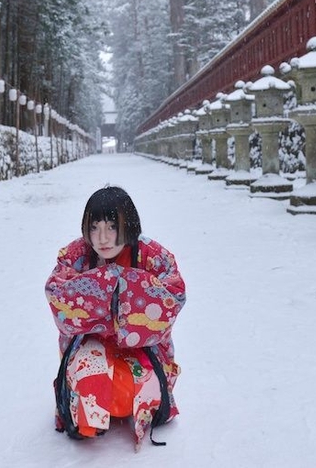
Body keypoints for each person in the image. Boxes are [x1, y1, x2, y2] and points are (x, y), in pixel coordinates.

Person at [45, 186, 186, 449]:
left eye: (112, 226)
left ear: (129, 225)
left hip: (142, 346)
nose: (102, 238)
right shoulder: (75, 256)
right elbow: (58, 296)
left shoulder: (154, 257)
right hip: (91, 345)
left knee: (130, 392)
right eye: (94, 227)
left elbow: (173, 294)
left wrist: (116, 287)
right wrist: (110, 286)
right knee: (91, 380)